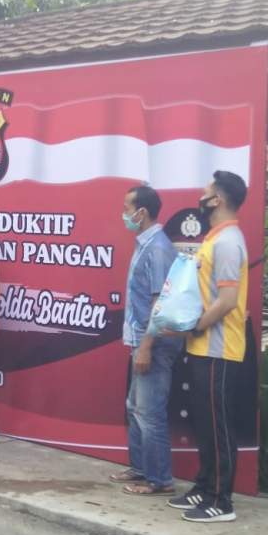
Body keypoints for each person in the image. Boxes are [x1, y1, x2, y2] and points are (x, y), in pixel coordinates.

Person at [166, 171, 249, 523]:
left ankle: (221, 500)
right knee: (204, 422)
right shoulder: (215, 238)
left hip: (218, 348)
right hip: (202, 347)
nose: (201, 195)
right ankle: (204, 485)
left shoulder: (229, 241)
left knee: (217, 425)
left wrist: (195, 325)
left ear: (219, 200)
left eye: (207, 192)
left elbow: (228, 300)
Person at [108, 186, 180, 496]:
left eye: (127, 207)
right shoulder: (145, 244)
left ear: (142, 212)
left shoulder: (159, 249)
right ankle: (140, 468)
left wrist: (147, 346)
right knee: (135, 407)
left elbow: (159, 305)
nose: (124, 214)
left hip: (155, 341)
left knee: (150, 411)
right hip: (140, 337)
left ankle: (159, 479)